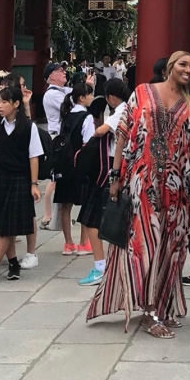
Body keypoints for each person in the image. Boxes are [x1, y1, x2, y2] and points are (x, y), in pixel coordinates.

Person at [86, 51, 190, 338]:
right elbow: (123, 132)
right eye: (183, 64)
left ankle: (163, 305)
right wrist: (115, 176)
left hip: (177, 189)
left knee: (171, 248)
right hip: (141, 181)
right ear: (170, 67)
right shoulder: (143, 92)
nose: (188, 70)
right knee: (145, 245)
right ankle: (148, 310)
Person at [77, 78, 130, 286]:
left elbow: (100, 131)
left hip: (110, 167)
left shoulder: (122, 110)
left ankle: (100, 267)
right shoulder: (129, 107)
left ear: (110, 97)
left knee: (91, 219)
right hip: (120, 165)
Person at [0, 87, 42, 283]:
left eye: (4, 102)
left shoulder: (28, 127)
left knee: (8, 227)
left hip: (20, 180)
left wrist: (34, 184)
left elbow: (34, 157)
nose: (0, 105)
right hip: (0, 179)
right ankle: (13, 263)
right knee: (3, 225)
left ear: (16, 104)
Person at [54, 83, 95, 256]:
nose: (92, 98)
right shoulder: (87, 117)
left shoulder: (66, 115)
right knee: (86, 204)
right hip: (80, 165)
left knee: (65, 205)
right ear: (82, 98)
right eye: (90, 95)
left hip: (65, 164)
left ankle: (68, 243)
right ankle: (84, 243)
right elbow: (89, 142)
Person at [41, 62, 73, 230]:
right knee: (55, 177)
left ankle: (52, 217)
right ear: (52, 76)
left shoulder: (62, 91)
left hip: (62, 138)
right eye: (60, 70)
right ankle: (47, 216)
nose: (64, 72)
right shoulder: (52, 94)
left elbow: (75, 94)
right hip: (57, 138)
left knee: (58, 178)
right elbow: (70, 107)